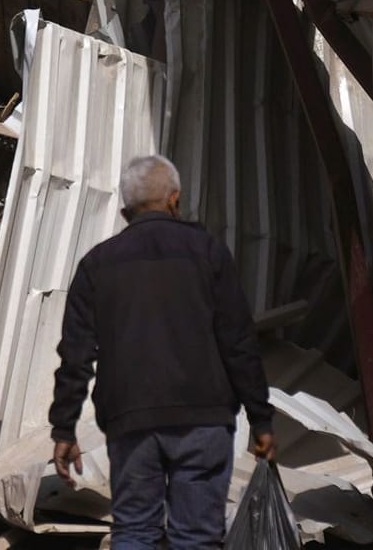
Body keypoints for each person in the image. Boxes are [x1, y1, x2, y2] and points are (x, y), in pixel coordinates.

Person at [49, 155, 275, 550]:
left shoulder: (95, 266)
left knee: (135, 532)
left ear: (124, 212)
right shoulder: (208, 253)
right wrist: (261, 419)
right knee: (197, 538)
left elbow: (76, 355)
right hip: (204, 419)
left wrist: (64, 428)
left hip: (130, 422)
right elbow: (238, 343)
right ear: (175, 200)